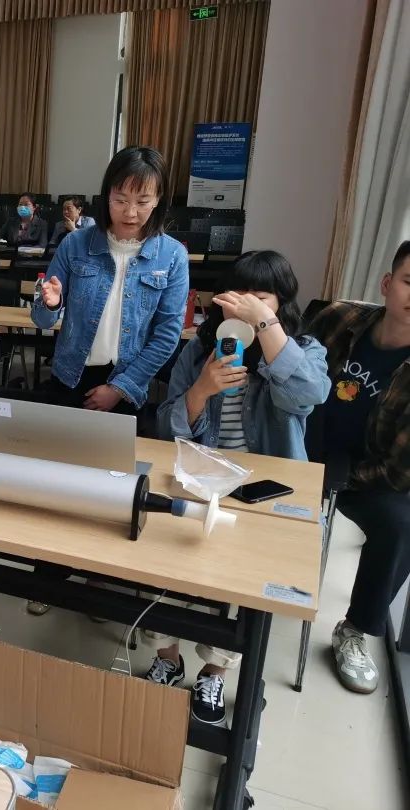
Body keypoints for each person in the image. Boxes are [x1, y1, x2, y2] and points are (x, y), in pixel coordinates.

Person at [151, 250, 330, 725]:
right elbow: (167, 431)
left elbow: (310, 395)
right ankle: (167, 656)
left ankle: (215, 669)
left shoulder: (303, 349)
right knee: (163, 551)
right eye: (239, 295)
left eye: (261, 296)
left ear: (280, 302)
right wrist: (200, 391)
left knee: (241, 576)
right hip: (202, 475)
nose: (247, 305)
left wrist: (266, 327)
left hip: (266, 487)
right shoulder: (199, 349)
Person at [25, 146, 188, 617]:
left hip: (126, 382)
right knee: (58, 483)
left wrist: (121, 388)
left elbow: (167, 335)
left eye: (143, 201)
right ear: (106, 195)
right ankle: (49, 576)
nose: (130, 212)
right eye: (121, 200)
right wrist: (48, 303)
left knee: (115, 489)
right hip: (71, 376)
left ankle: (102, 581)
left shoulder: (171, 256)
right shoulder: (76, 244)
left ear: (159, 199)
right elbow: (42, 318)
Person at [310, 241, 410, 696]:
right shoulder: (339, 318)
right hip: (305, 448)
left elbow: (400, 471)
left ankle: (354, 630)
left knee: (400, 523)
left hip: (370, 473)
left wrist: (337, 481)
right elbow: (289, 370)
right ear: (387, 284)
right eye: (409, 282)